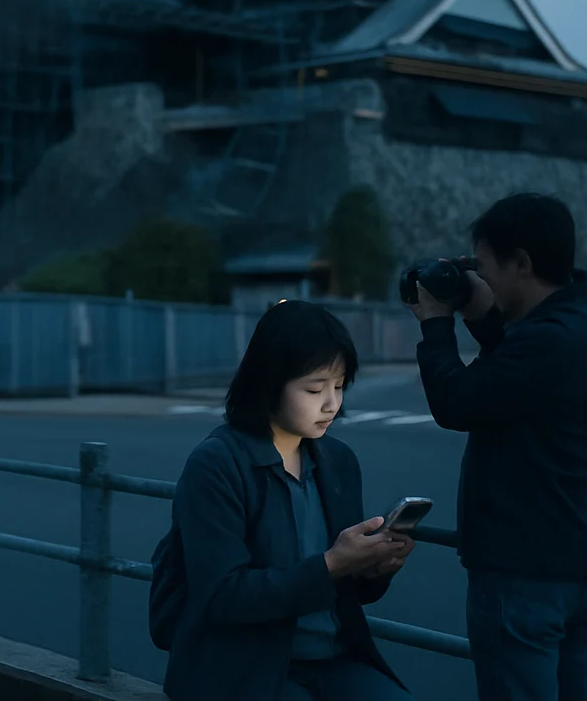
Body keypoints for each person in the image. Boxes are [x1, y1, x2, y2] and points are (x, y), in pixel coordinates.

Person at [407, 193, 587, 701]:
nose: (480, 280)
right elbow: (519, 375)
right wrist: (484, 316)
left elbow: (456, 403)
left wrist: (436, 321)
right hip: (580, 570)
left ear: (521, 263)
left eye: (484, 268)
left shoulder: (544, 341)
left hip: (525, 578)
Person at [162, 300, 416, 701]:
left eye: (339, 386)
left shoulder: (338, 461)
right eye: (315, 389)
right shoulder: (216, 464)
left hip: (334, 660)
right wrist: (333, 563)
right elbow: (222, 598)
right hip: (241, 669)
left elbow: (348, 594)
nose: (332, 403)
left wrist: (372, 569)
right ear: (269, 384)